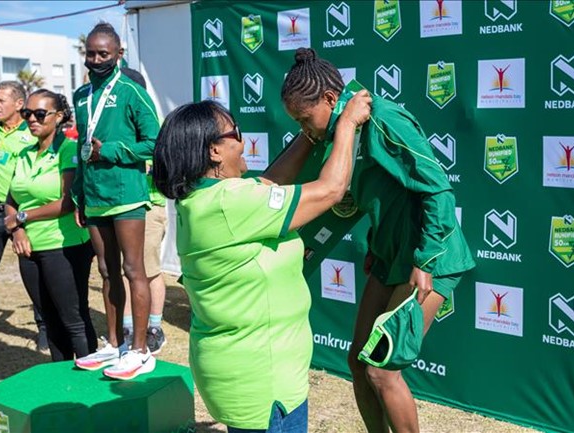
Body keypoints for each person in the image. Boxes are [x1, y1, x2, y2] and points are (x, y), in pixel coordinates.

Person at [281, 48, 476, 433]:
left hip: (430, 258)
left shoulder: (384, 119)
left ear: (330, 99)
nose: (305, 131)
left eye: (305, 119)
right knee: (358, 362)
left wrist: (424, 261)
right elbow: (379, 194)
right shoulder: (342, 133)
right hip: (390, 257)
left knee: (382, 371)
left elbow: (437, 191)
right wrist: (376, 243)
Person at [151, 90, 371, 431]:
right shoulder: (230, 203)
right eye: (236, 132)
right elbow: (330, 189)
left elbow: (269, 183)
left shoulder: (202, 200)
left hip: (242, 372)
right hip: (264, 382)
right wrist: (347, 124)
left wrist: (308, 135)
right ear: (214, 150)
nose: (243, 141)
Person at [72, 22, 160, 380]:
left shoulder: (130, 91)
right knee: (106, 271)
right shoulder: (80, 95)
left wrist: (109, 151)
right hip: (94, 196)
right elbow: (82, 149)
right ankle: (113, 344)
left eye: (103, 54)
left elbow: (154, 142)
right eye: (91, 54)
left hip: (126, 195)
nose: (96, 60)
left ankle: (139, 350)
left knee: (133, 269)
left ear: (119, 54)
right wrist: (79, 194)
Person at [3, 89, 97, 362]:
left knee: (74, 320)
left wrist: (22, 217)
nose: (32, 119)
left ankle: (88, 379)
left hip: (64, 246)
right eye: (27, 113)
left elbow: (67, 202)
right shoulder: (23, 154)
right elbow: (11, 200)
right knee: (50, 321)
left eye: (40, 113)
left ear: (59, 117)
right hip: (29, 249)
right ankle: (61, 379)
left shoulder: (68, 150)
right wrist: (17, 230)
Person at [0, 81, 45, 350]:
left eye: (1, 100)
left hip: (24, 214)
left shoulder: (32, 133)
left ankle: (45, 328)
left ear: (19, 104)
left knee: (36, 271)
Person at [116, 67, 168, 355]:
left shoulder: (153, 126)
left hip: (149, 207)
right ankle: (127, 326)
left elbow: (166, 168)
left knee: (148, 270)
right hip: (121, 206)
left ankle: (154, 328)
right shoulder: (117, 124)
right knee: (127, 270)